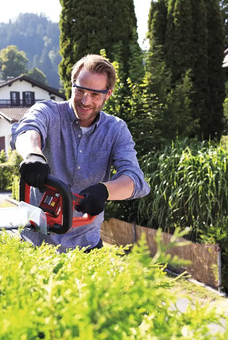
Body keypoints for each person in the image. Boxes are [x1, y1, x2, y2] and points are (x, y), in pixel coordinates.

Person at [10, 54, 150, 253]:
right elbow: (28, 130)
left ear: (107, 95)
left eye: (95, 95)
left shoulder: (116, 130)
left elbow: (135, 181)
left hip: (86, 246)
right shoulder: (48, 112)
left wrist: (105, 190)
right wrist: (33, 154)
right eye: (81, 90)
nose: (85, 101)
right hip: (35, 245)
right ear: (72, 85)